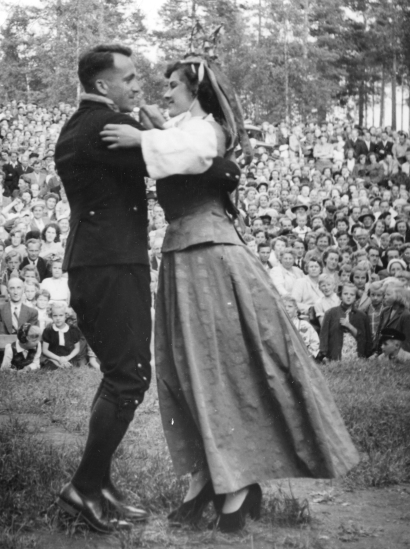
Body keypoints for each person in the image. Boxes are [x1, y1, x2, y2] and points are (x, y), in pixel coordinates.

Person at [102, 51, 359, 533]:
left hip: (210, 255)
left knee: (219, 368)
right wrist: (153, 126)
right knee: (189, 370)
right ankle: (212, 478)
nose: (165, 93)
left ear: (195, 90)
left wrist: (142, 137)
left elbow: (195, 153)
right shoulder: (183, 128)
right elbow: (177, 142)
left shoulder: (208, 131)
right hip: (186, 254)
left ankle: (233, 485)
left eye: (173, 86)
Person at [52, 44, 155, 532]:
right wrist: (156, 130)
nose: (138, 85)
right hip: (111, 264)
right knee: (129, 377)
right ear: (101, 85)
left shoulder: (83, 124)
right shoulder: (108, 127)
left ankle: (101, 484)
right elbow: (179, 166)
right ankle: (84, 488)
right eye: (129, 78)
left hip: (97, 262)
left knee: (119, 374)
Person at [319, 283, 373, 361]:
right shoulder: (330, 313)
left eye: (352, 295)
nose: (348, 297)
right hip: (336, 355)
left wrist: (349, 326)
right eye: (345, 294)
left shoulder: (361, 316)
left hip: (355, 355)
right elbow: (324, 335)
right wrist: (323, 354)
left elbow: (364, 337)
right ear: (340, 295)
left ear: (356, 297)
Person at [41, 302, 82, 369]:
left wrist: (67, 358)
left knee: (71, 367)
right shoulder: (48, 330)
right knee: (50, 367)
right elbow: (45, 350)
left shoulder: (73, 330)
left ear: (66, 316)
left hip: (69, 357)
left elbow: (77, 348)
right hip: (53, 357)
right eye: (55, 315)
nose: (58, 318)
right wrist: (59, 359)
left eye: (61, 315)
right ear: (51, 316)